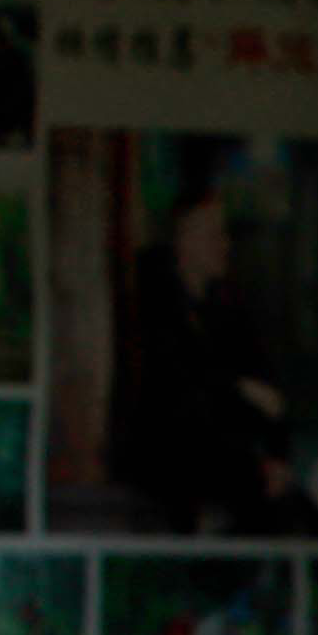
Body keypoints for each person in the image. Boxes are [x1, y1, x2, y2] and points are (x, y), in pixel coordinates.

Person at [110, 187, 291, 532]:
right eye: (214, 235)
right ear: (185, 240)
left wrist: (276, 456)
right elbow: (183, 385)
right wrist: (240, 391)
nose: (225, 245)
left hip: (227, 449)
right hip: (170, 452)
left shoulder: (227, 307)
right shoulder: (154, 300)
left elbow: (267, 388)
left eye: (224, 235)